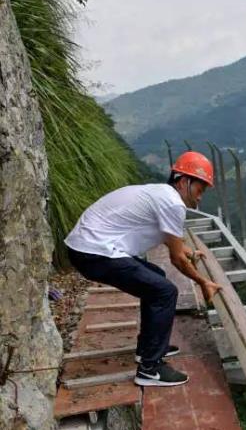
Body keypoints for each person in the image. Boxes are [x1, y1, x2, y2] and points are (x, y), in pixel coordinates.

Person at [65, 151, 222, 387]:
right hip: (94, 252)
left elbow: (171, 239)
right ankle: (150, 368)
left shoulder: (161, 194)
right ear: (183, 182)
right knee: (165, 291)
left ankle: (147, 349)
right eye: (200, 189)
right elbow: (177, 259)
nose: (201, 197)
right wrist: (203, 282)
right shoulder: (172, 203)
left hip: (89, 248)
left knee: (155, 278)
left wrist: (188, 251)